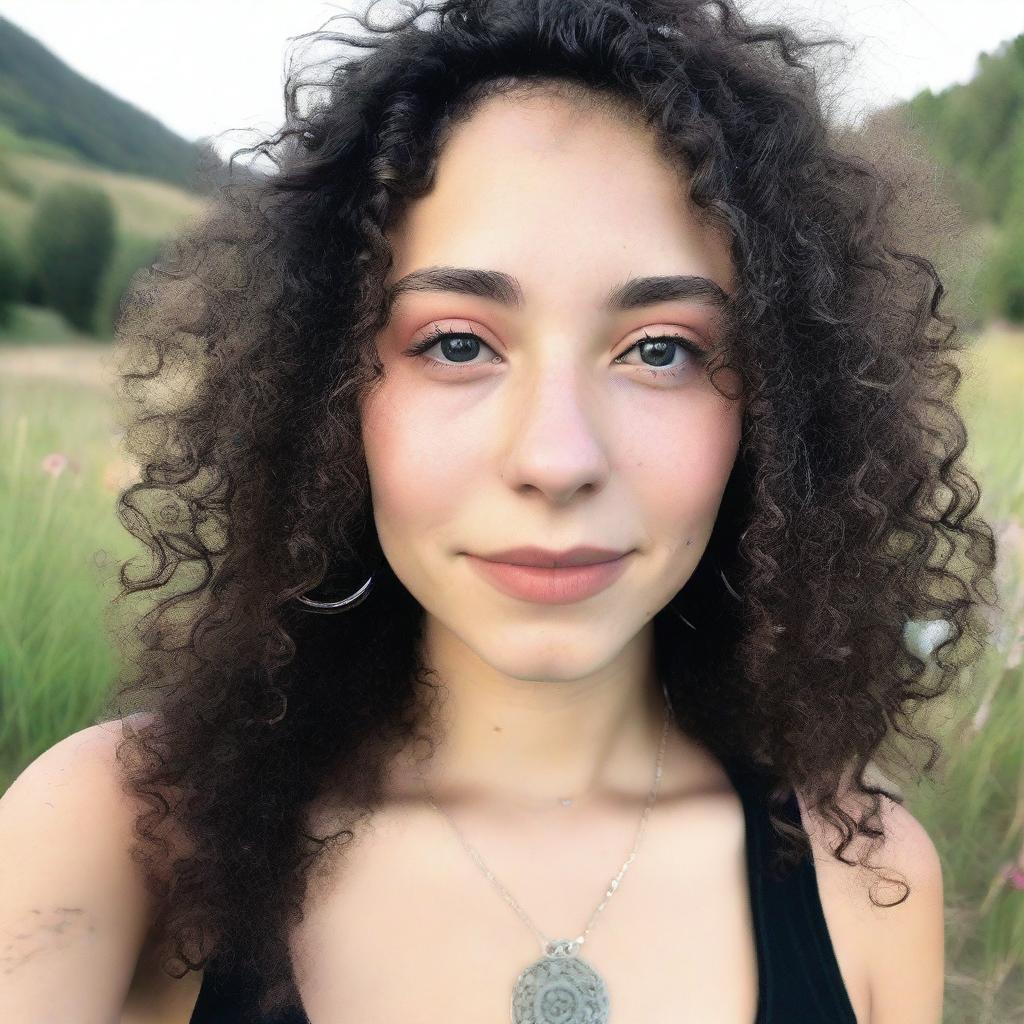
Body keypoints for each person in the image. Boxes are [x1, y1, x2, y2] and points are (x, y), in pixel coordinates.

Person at [0, 1, 997, 1022]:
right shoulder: (121, 838)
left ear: (781, 411)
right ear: (324, 393)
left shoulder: (865, 878)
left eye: (660, 349)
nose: (556, 458)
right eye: (457, 343)